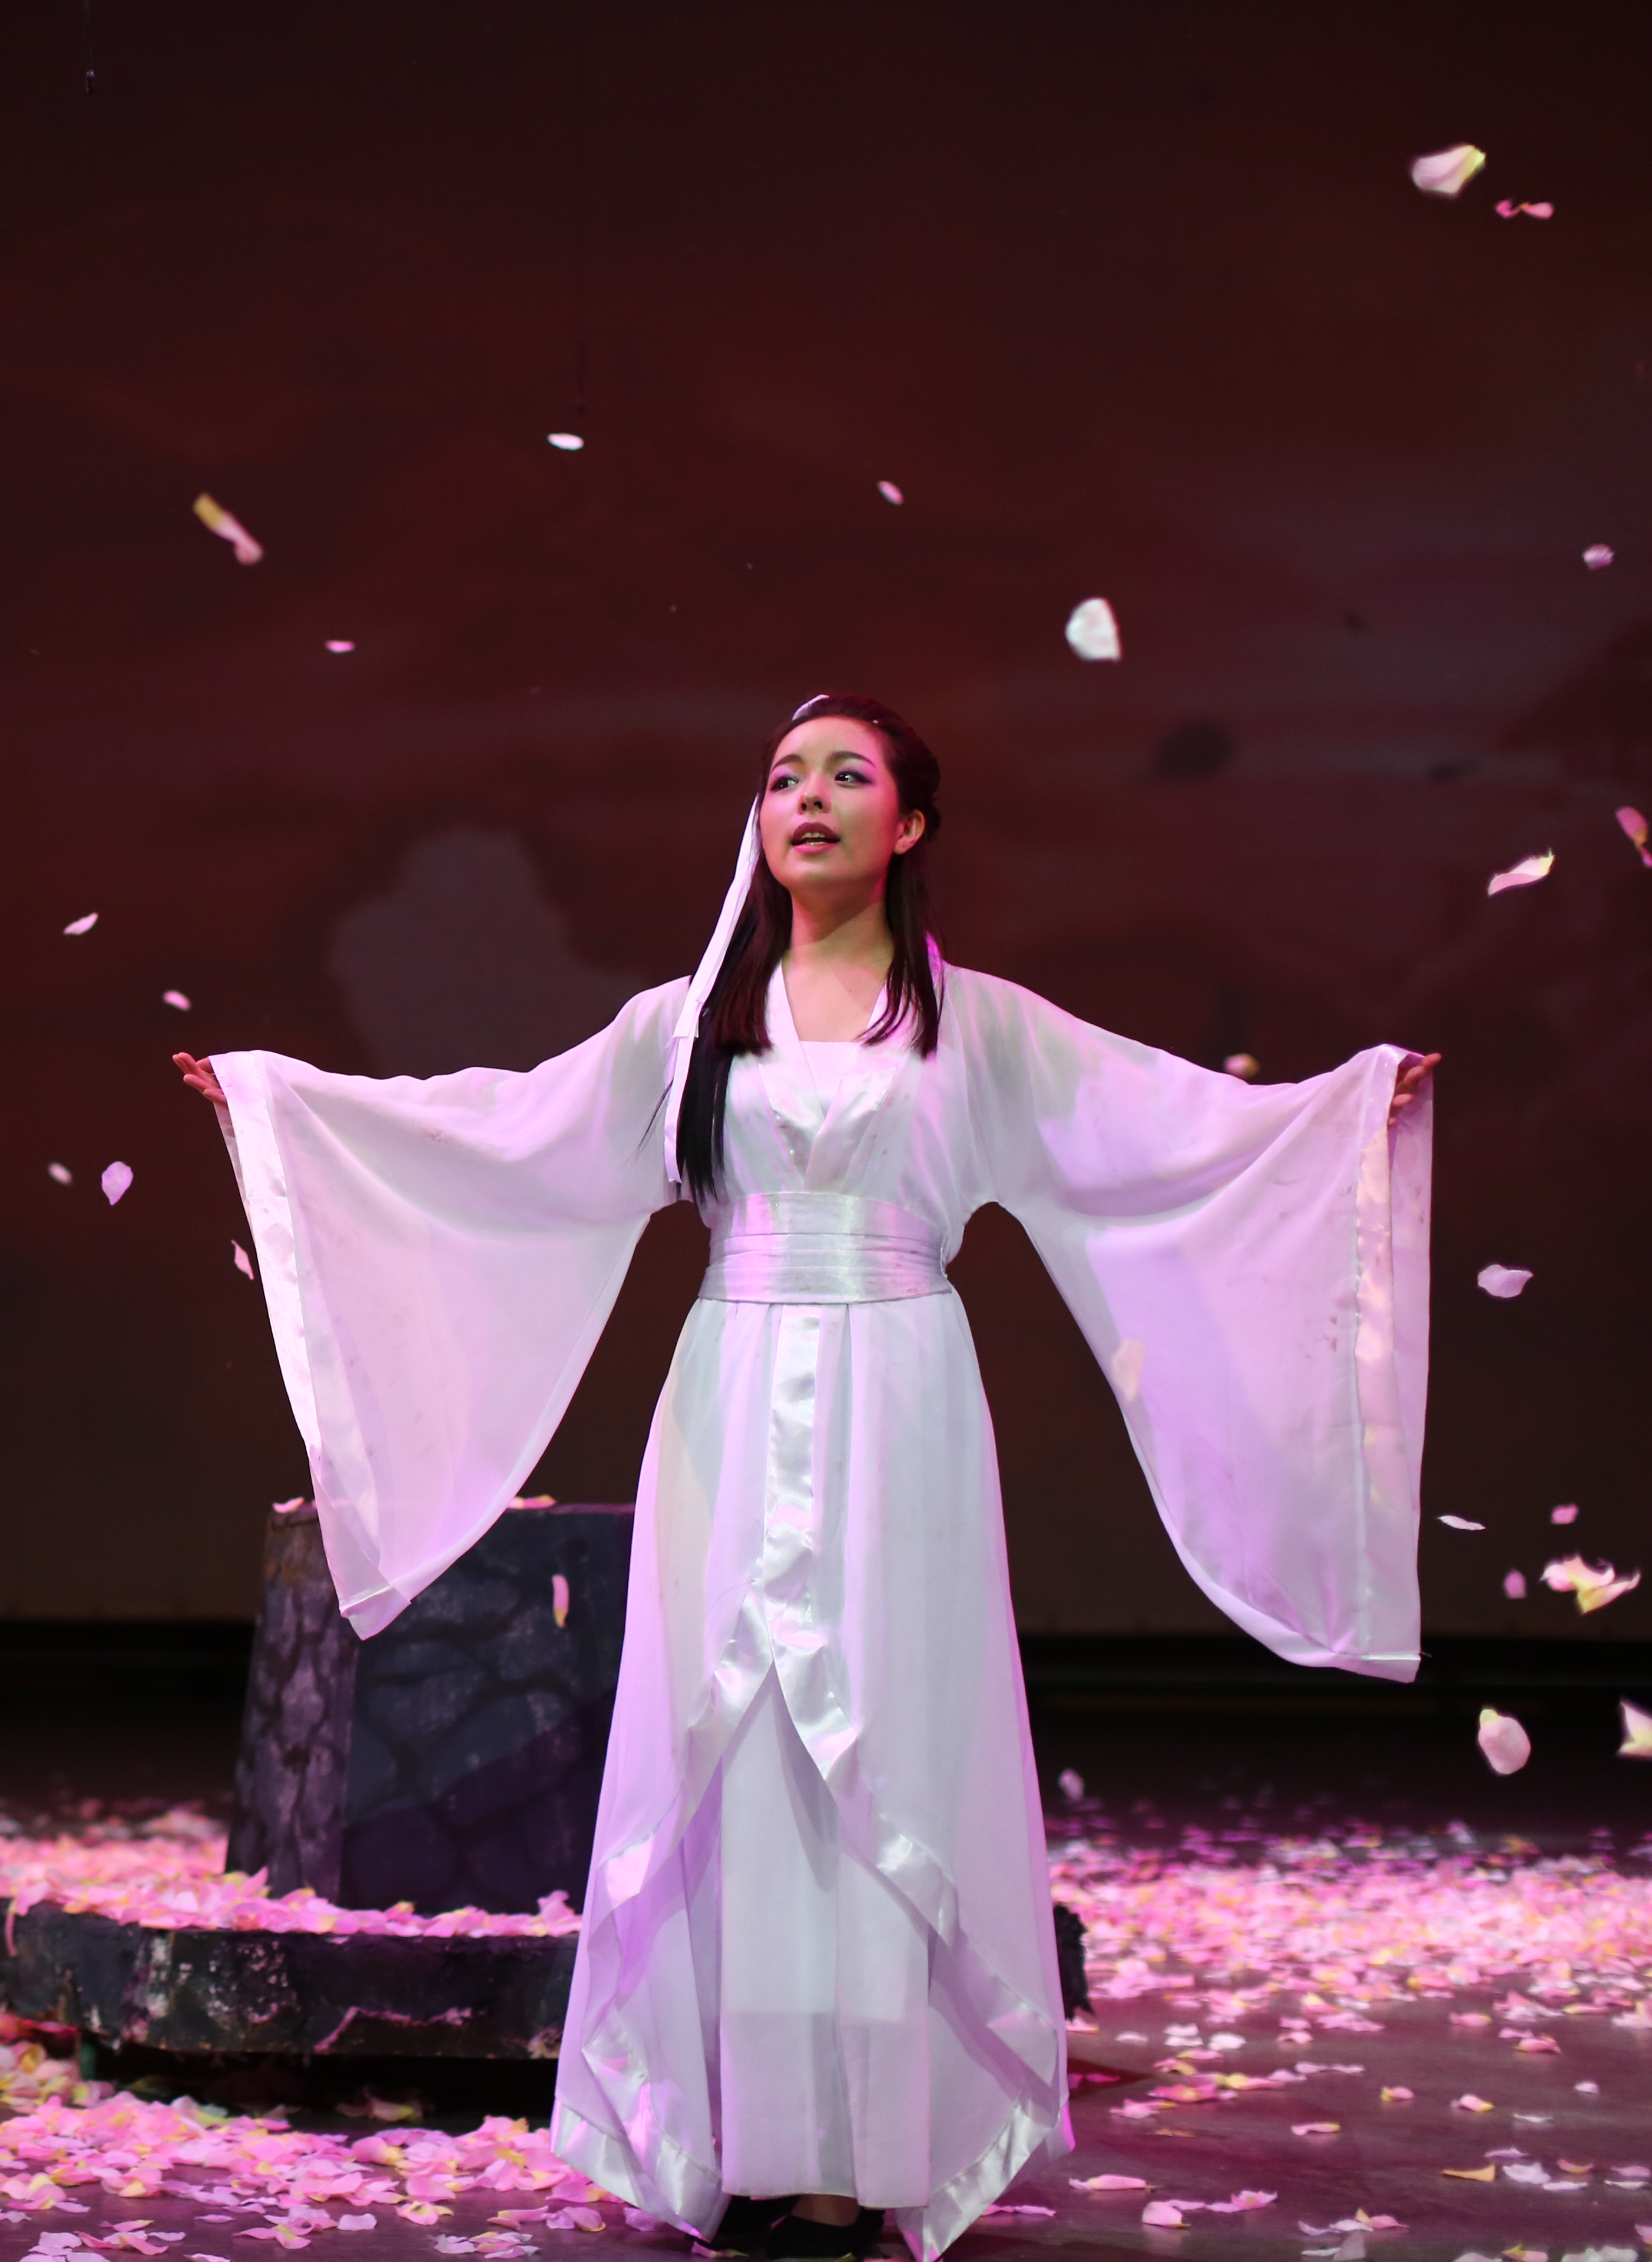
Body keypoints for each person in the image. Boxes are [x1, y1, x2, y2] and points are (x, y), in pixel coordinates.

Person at [177, 695, 1435, 2261]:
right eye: (785, 779)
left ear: (910, 824)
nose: (810, 800)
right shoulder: (693, 1023)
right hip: (732, 1384)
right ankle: (744, 2136)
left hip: (901, 1395)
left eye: (850, 776)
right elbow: (507, 1134)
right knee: (738, 1742)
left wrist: (1339, 1114)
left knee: (883, 1738)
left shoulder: (977, 1025)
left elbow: (1165, 1132)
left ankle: (856, 2151)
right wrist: (288, 1110)